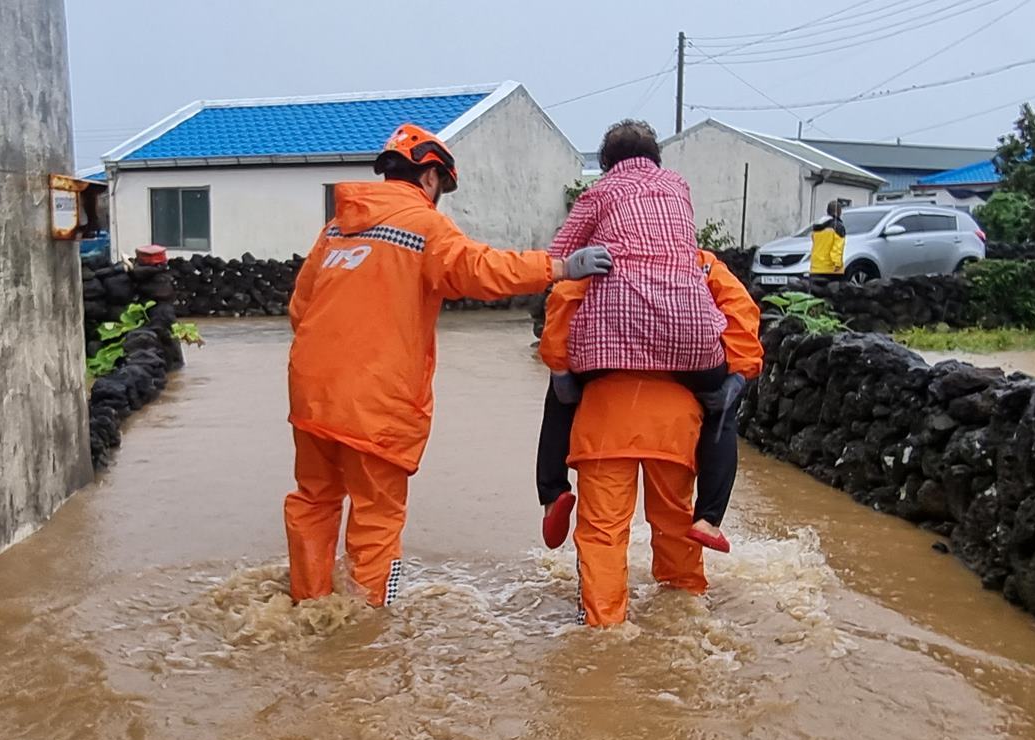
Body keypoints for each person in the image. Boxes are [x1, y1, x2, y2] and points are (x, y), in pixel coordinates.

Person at [285, 123, 612, 607]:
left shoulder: (336, 227)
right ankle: (367, 623)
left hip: (311, 395)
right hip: (377, 401)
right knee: (377, 516)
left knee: (313, 500)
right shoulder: (424, 225)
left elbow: (299, 309)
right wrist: (560, 267)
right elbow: (480, 270)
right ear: (431, 177)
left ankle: (308, 605)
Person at [537, 269, 758, 627]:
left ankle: (602, 625)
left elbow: (563, 301)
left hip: (604, 420)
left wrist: (559, 366)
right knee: (675, 521)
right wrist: (741, 370)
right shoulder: (699, 264)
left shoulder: (601, 262)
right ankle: (685, 607)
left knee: (602, 533)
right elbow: (740, 310)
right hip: (676, 423)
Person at [809, 200, 846, 281]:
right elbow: (837, 248)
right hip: (830, 269)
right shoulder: (838, 226)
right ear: (839, 212)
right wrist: (837, 264)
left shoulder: (817, 227)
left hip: (815, 267)